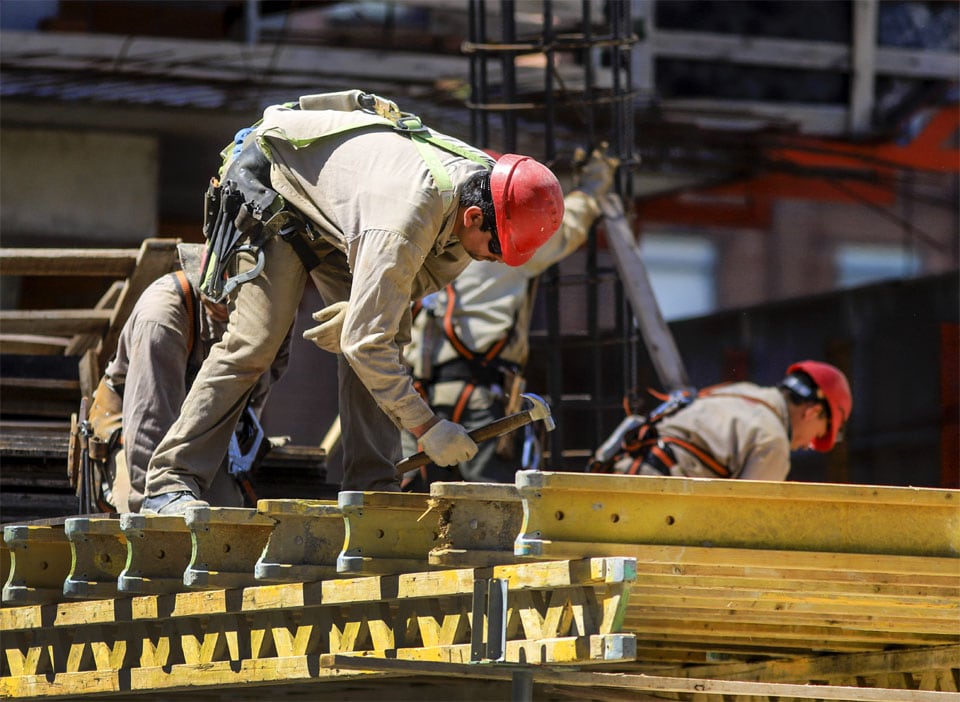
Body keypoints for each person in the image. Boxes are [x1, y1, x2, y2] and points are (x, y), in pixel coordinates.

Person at [141, 89, 564, 514]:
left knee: (385, 330)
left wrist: (365, 308)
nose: (495, 260)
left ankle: (373, 491)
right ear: (473, 218)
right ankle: (169, 482)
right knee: (256, 343)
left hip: (344, 215)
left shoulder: (485, 196)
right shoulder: (406, 218)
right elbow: (366, 344)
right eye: (496, 249)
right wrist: (427, 427)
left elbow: (420, 279)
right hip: (273, 186)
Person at [400, 146, 619, 490]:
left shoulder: (436, 234)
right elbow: (567, 228)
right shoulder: (506, 244)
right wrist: (592, 186)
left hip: (418, 399)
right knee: (492, 498)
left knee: (411, 496)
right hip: (480, 393)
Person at [77, 243, 288, 513]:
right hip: (135, 437)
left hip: (200, 433)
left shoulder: (273, 312)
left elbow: (260, 385)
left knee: (227, 518)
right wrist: (152, 511)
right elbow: (147, 427)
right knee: (151, 518)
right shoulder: (162, 317)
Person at [588, 360, 853, 481]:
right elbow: (745, 522)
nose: (807, 445)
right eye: (819, 434)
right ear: (812, 412)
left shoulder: (739, 391)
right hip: (652, 498)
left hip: (616, 476)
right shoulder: (773, 441)